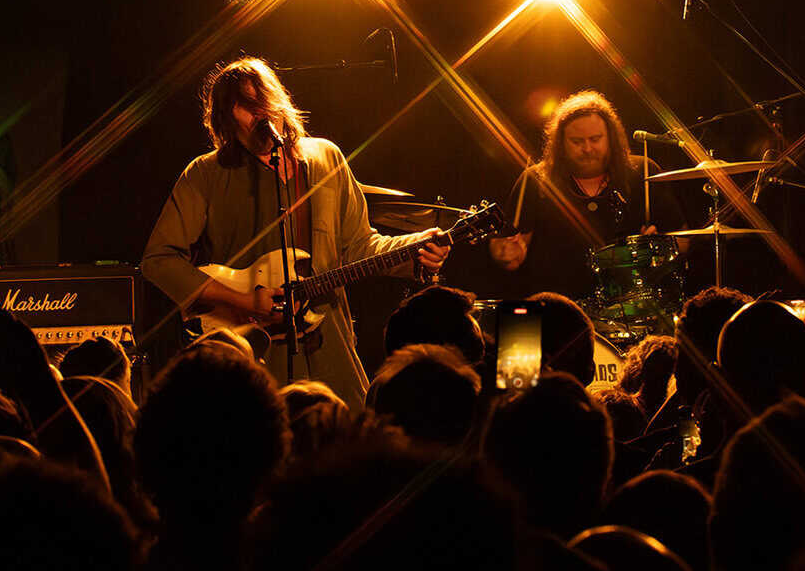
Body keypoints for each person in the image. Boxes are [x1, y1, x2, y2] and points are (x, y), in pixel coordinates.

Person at [140, 57, 449, 406]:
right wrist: (243, 301)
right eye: (245, 105)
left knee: (344, 427)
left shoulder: (326, 158)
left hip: (328, 345)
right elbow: (159, 260)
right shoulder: (205, 173)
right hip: (250, 349)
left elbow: (360, 245)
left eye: (263, 100)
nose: (259, 113)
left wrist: (416, 248)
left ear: (279, 101)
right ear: (226, 118)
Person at [486, 90, 686, 313]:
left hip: (632, 310)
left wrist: (659, 248)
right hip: (557, 312)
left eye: (595, 139)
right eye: (577, 141)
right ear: (561, 144)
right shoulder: (536, 180)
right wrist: (505, 254)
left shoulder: (642, 171)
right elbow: (509, 254)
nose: (588, 148)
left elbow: (684, 238)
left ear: (610, 138)